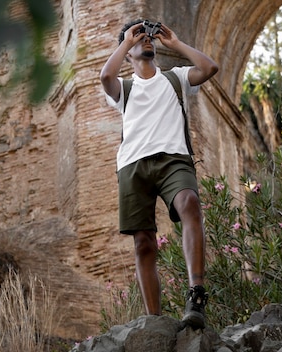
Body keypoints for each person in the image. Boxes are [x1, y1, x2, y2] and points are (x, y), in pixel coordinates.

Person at [99, 19, 218, 329]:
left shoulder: (176, 78)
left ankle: (196, 294)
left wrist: (175, 44)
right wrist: (126, 41)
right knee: (143, 242)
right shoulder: (124, 88)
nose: (147, 41)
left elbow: (210, 68)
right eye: (140, 38)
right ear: (127, 52)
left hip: (173, 158)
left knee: (189, 201)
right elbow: (105, 76)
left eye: (149, 37)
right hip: (133, 165)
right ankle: (154, 321)